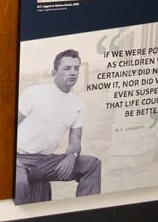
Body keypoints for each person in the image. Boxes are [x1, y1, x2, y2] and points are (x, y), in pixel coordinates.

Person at [15, 50, 101, 203]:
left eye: (76, 68)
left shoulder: (78, 104)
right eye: (67, 68)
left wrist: (72, 156)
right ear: (54, 72)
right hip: (19, 159)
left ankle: (87, 213)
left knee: (92, 164)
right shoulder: (34, 93)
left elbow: (75, 138)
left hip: (45, 162)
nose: (73, 73)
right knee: (19, 184)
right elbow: (8, 127)